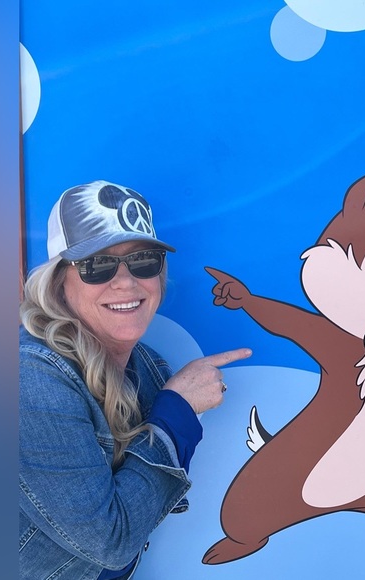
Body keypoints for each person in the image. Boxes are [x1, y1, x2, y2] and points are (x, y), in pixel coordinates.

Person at [19, 180, 251, 580]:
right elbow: (110, 541)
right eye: (97, 265)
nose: (125, 282)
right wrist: (178, 412)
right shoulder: (30, 377)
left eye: (143, 260)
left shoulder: (149, 366)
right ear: (59, 282)